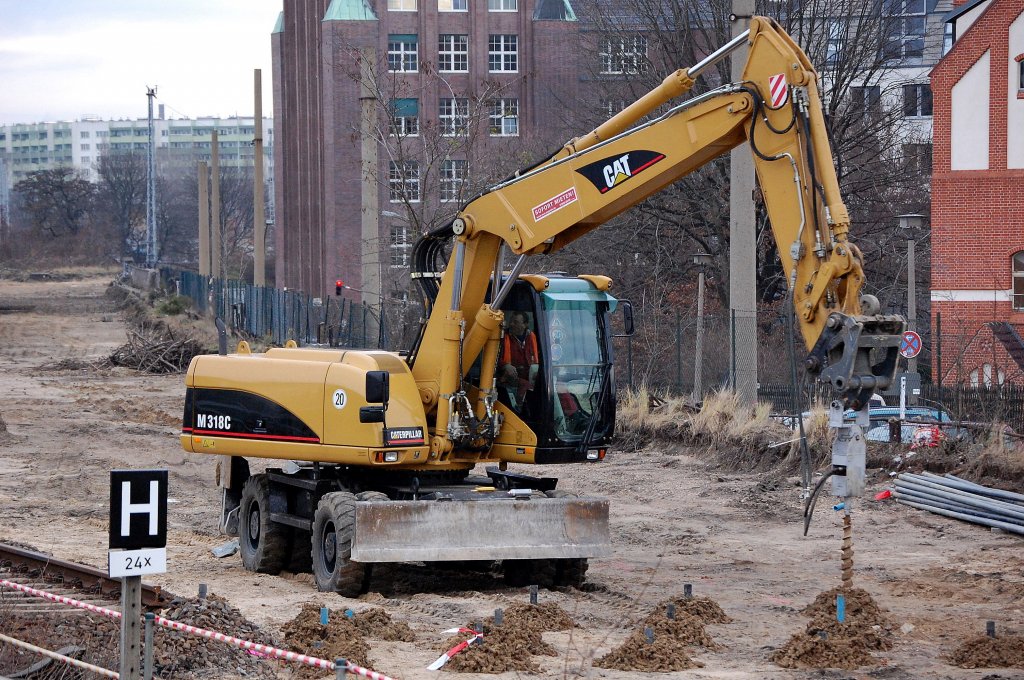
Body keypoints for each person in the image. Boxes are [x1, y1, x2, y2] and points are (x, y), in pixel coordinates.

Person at [499, 311, 539, 411]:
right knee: (527, 386)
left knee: (558, 388)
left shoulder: (534, 338)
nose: (511, 324)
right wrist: (505, 365)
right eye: (511, 321)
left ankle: (572, 413)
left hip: (532, 375)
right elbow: (493, 358)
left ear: (525, 324)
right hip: (510, 377)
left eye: (515, 322)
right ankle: (521, 412)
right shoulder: (502, 337)